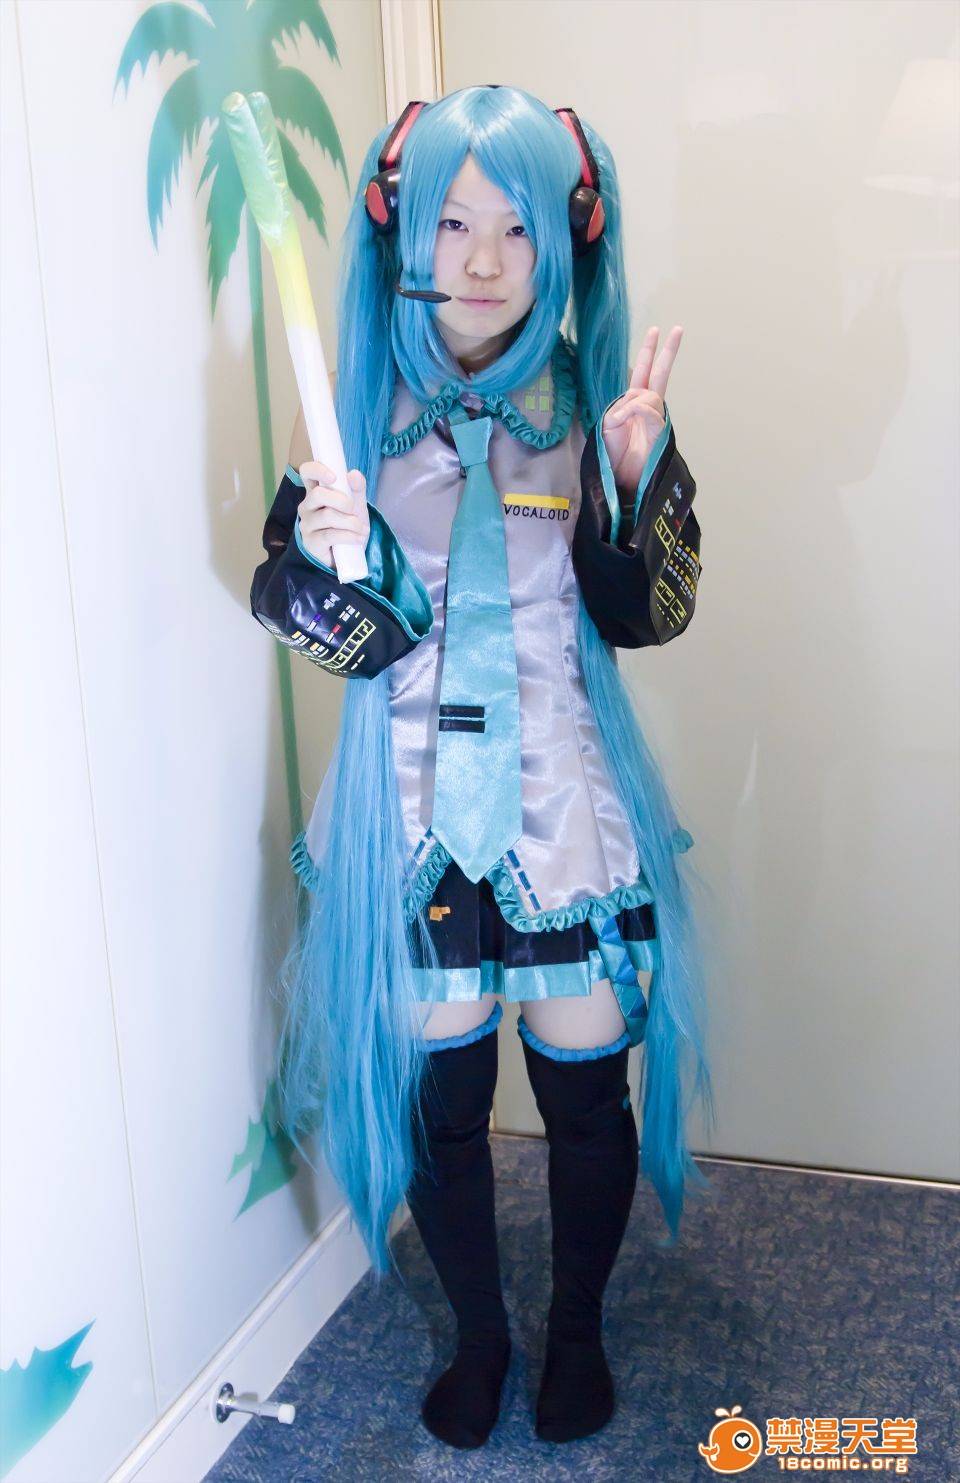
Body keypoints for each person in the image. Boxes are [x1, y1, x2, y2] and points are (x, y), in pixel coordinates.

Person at [251, 85, 713, 1450]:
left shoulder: (590, 400)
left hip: (562, 799)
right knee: (442, 1098)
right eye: (453, 223)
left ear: (566, 236)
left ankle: (577, 1333)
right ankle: (482, 1337)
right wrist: (333, 557)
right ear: (404, 229)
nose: (486, 261)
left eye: (517, 227)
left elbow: (644, 618)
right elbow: (339, 636)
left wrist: (635, 475)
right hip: (409, 804)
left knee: (586, 1085)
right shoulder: (352, 410)